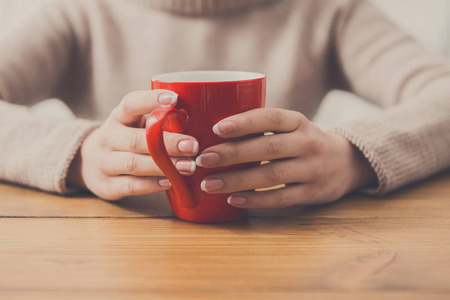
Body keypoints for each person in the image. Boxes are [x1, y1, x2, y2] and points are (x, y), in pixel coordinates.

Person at [0, 0, 449, 209]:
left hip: (278, 251)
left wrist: (351, 156)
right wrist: (81, 155)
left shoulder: (332, 11)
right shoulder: (79, 13)